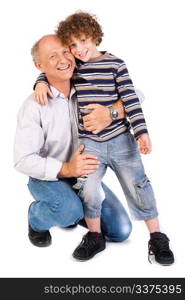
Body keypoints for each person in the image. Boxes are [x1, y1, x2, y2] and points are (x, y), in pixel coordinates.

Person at [34, 12, 174, 265]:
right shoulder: (75, 67)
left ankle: (157, 237)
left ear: (95, 37)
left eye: (84, 41)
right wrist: (40, 82)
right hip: (91, 143)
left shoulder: (116, 65)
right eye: (73, 46)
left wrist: (142, 132)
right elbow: (55, 72)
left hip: (121, 139)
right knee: (89, 188)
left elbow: (131, 99)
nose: (79, 50)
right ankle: (95, 235)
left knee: (138, 185)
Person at [14, 34, 132, 258]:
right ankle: (38, 217)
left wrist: (110, 112)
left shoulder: (90, 86)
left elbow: (135, 95)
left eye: (65, 51)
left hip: (84, 177)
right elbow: (22, 160)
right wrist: (66, 169)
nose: (63, 59)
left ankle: (68, 211)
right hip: (47, 177)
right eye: (52, 56)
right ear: (39, 65)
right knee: (69, 210)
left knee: (120, 231)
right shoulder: (34, 105)